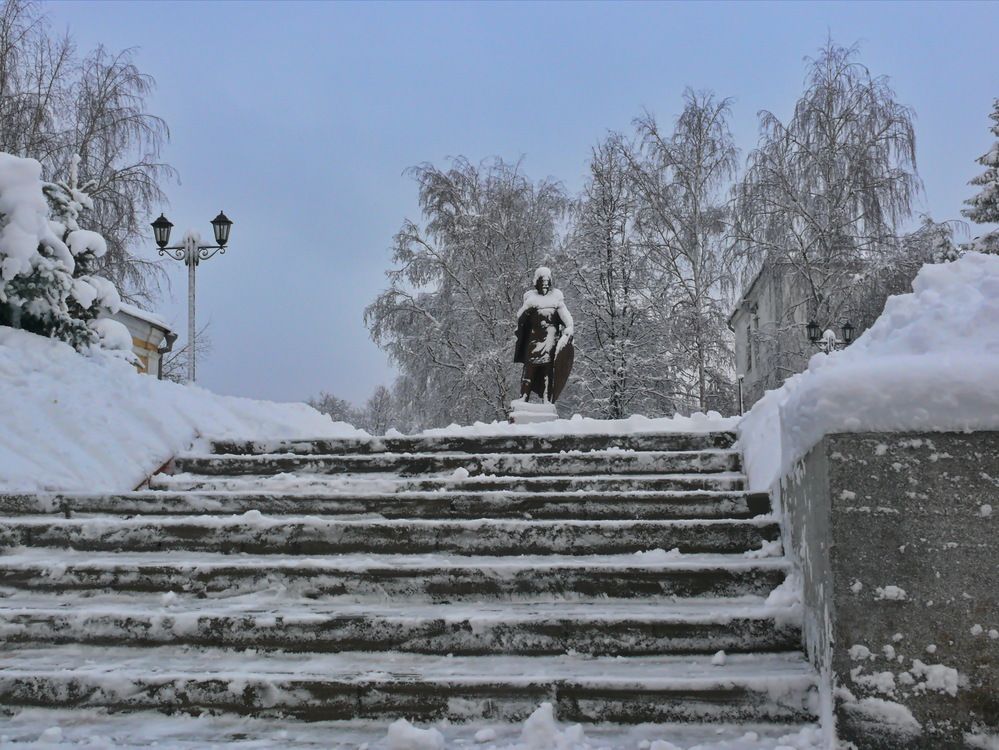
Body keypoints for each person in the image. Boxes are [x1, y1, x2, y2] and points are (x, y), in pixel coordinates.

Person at [513, 266, 574, 403]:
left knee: (547, 373)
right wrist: (528, 310)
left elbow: (568, 321)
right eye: (542, 282)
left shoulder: (556, 298)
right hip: (533, 343)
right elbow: (520, 318)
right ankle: (523, 398)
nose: (545, 285)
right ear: (537, 283)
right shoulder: (530, 298)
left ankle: (547, 400)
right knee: (528, 371)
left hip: (550, 343)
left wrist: (568, 332)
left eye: (547, 282)